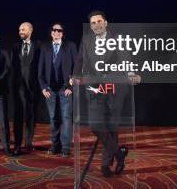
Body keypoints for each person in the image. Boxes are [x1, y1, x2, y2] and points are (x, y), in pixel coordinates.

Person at [76, 10, 141, 177]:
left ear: (105, 23)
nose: (96, 25)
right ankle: (119, 154)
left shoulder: (116, 39)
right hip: (95, 89)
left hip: (114, 87)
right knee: (95, 125)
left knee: (112, 127)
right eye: (93, 23)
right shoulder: (87, 40)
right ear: (90, 26)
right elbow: (80, 60)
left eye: (99, 21)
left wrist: (131, 74)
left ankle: (105, 165)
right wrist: (76, 76)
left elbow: (125, 58)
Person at [38, 22, 76, 157]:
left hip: (65, 88)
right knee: (53, 117)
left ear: (62, 33)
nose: (56, 32)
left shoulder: (70, 46)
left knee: (66, 118)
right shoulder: (45, 47)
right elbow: (40, 70)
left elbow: (76, 68)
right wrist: (43, 87)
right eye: (54, 30)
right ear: (51, 33)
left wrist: (71, 87)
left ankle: (65, 147)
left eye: (59, 30)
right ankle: (55, 145)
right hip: (49, 89)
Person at [9, 22, 41, 155]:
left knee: (31, 116)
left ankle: (28, 142)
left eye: (23, 29)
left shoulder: (38, 46)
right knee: (18, 116)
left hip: (34, 87)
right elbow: (12, 67)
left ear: (31, 30)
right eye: (19, 29)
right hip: (18, 88)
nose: (20, 31)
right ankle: (17, 144)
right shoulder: (15, 46)